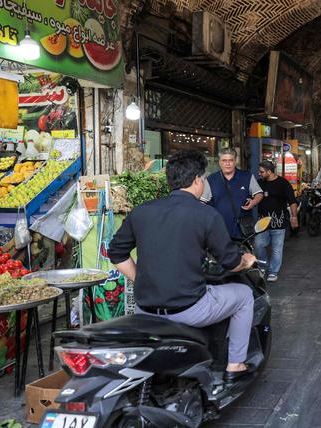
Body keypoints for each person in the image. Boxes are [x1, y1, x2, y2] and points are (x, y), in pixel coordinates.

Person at [108, 150, 257, 381]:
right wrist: (246, 261)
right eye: (204, 180)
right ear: (197, 180)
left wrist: (142, 280)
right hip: (189, 310)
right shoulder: (206, 215)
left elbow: (116, 253)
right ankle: (235, 365)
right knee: (245, 295)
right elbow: (230, 262)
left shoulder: (142, 211)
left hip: (145, 309)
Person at [255, 160, 298, 282]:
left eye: (262, 172)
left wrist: (294, 217)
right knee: (258, 245)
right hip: (263, 222)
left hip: (279, 222)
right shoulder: (259, 183)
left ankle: (273, 271)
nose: (259, 174)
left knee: (276, 249)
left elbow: (292, 201)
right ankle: (263, 265)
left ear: (269, 171)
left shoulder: (283, 183)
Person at [207, 148, 262, 239]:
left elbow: (259, 194)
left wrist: (254, 202)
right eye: (224, 160)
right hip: (218, 230)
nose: (227, 164)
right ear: (220, 162)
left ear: (235, 161)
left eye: (230, 160)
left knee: (244, 253)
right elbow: (202, 202)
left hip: (242, 231)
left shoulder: (247, 176)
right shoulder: (211, 179)